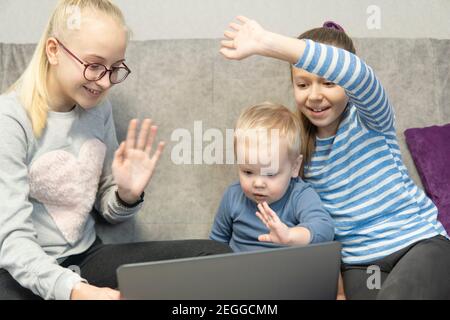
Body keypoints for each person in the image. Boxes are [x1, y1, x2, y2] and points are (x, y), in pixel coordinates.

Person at [0, 0, 230, 300]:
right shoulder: (10, 119)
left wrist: (126, 194)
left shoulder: (99, 110)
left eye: (115, 68)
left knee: (214, 257)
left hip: (86, 257)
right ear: (54, 50)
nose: (106, 81)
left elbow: (107, 208)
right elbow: (12, 241)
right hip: (21, 272)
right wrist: (76, 292)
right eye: (94, 65)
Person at [219, 16, 450, 299]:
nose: (314, 96)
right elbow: (310, 225)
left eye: (328, 82)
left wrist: (266, 42)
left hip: (419, 245)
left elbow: (357, 73)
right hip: (361, 266)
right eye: (302, 85)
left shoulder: (371, 118)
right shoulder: (295, 152)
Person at [210, 102, 334, 252]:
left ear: (294, 167)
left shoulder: (299, 195)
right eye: (248, 172)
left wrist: (289, 236)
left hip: (284, 273)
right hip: (239, 272)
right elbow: (216, 243)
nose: (258, 183)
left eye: (270, 173)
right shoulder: (233, 196)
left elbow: (325, 228)